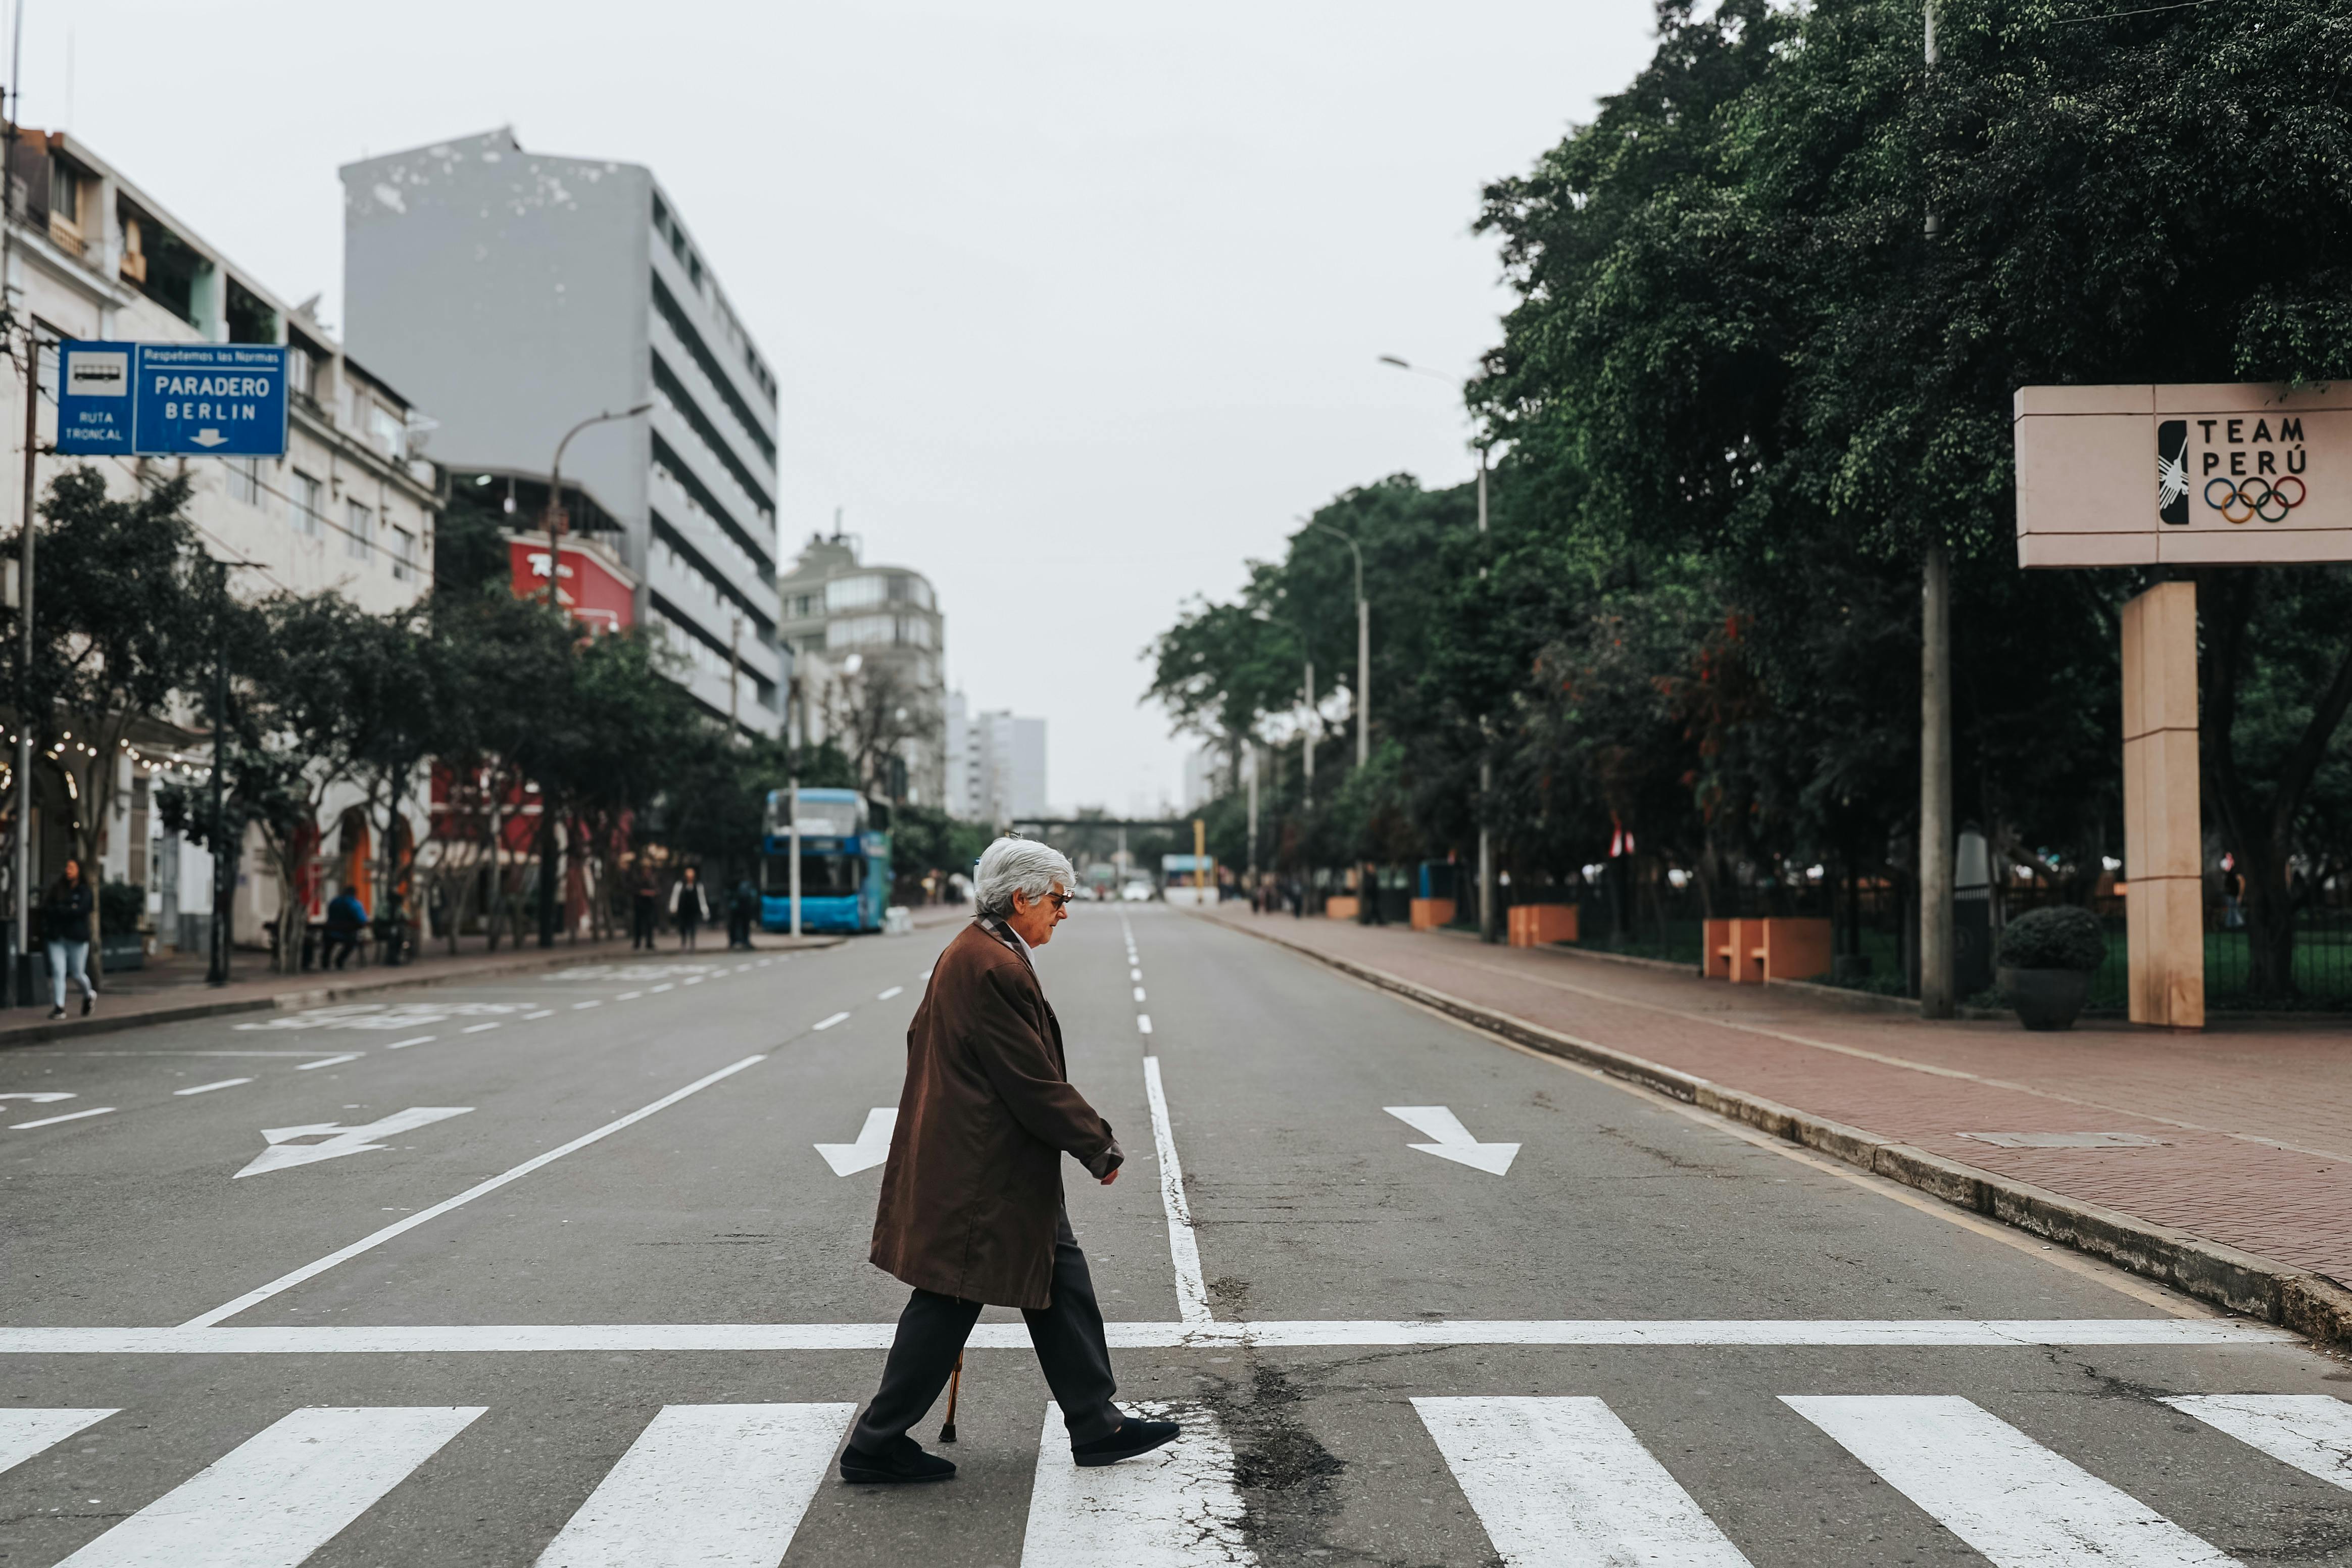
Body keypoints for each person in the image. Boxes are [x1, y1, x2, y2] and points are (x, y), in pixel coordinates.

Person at [842, 836, 1179, 1486]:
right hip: (982, 1173)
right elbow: (1031, 1078)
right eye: (1059, 898)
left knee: (1058, 1278)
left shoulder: (979, 951)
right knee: (948, 1301)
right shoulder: (990, 965)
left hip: (991, 1163)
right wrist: (1096, 1144)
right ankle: (875, 1441)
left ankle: (1095, 1420)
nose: (1065, 911)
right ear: (1021, 896)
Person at [40, 859, 95, 1020]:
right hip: (57, 937)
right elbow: (48, 908)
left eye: (72, 867)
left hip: (77, 938)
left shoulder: (85, 891)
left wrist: (64, 909)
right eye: (67, 867)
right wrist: (68, 908)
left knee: (77, 973)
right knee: (58, 971)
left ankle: (89, 995)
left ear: (80, 870)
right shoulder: (58, 888)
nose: (68, 870)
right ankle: (59, 1007)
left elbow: (81, 911)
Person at [322, 886, 368, 970]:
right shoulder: (354, 903)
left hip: (330, 932)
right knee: (352, 942)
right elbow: (362, 920)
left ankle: (325, 961)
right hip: (347, 934)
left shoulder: (334, 901)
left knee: (328, 943)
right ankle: (340, 960)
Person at [670, 866, 710, 950]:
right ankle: (683, 942)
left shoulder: (698, 885)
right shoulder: (680, 884)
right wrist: (673, 907)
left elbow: (701, 898)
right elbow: (675, 896)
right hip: (683, 909)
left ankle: (692, 942)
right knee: (683, 926)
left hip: (693, 909)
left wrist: (705, 910)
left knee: (693, 926)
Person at [630, 867, 660, 951]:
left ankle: (649, 943)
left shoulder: (652, 880)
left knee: (650, 925)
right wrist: (643, 892)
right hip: (640, 906)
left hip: (650, 906)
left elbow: (657, 890)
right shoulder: (638, 881)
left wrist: (653, 893)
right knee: (638, 925)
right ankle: (637, 943)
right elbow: (634, 891)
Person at [728, 875, 759, 950]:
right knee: (739, 925)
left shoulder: (743, 883)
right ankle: (741, 941)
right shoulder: (745, 883)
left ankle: (739, 941)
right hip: (741, 908)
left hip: (741, 908)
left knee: (741, 925)